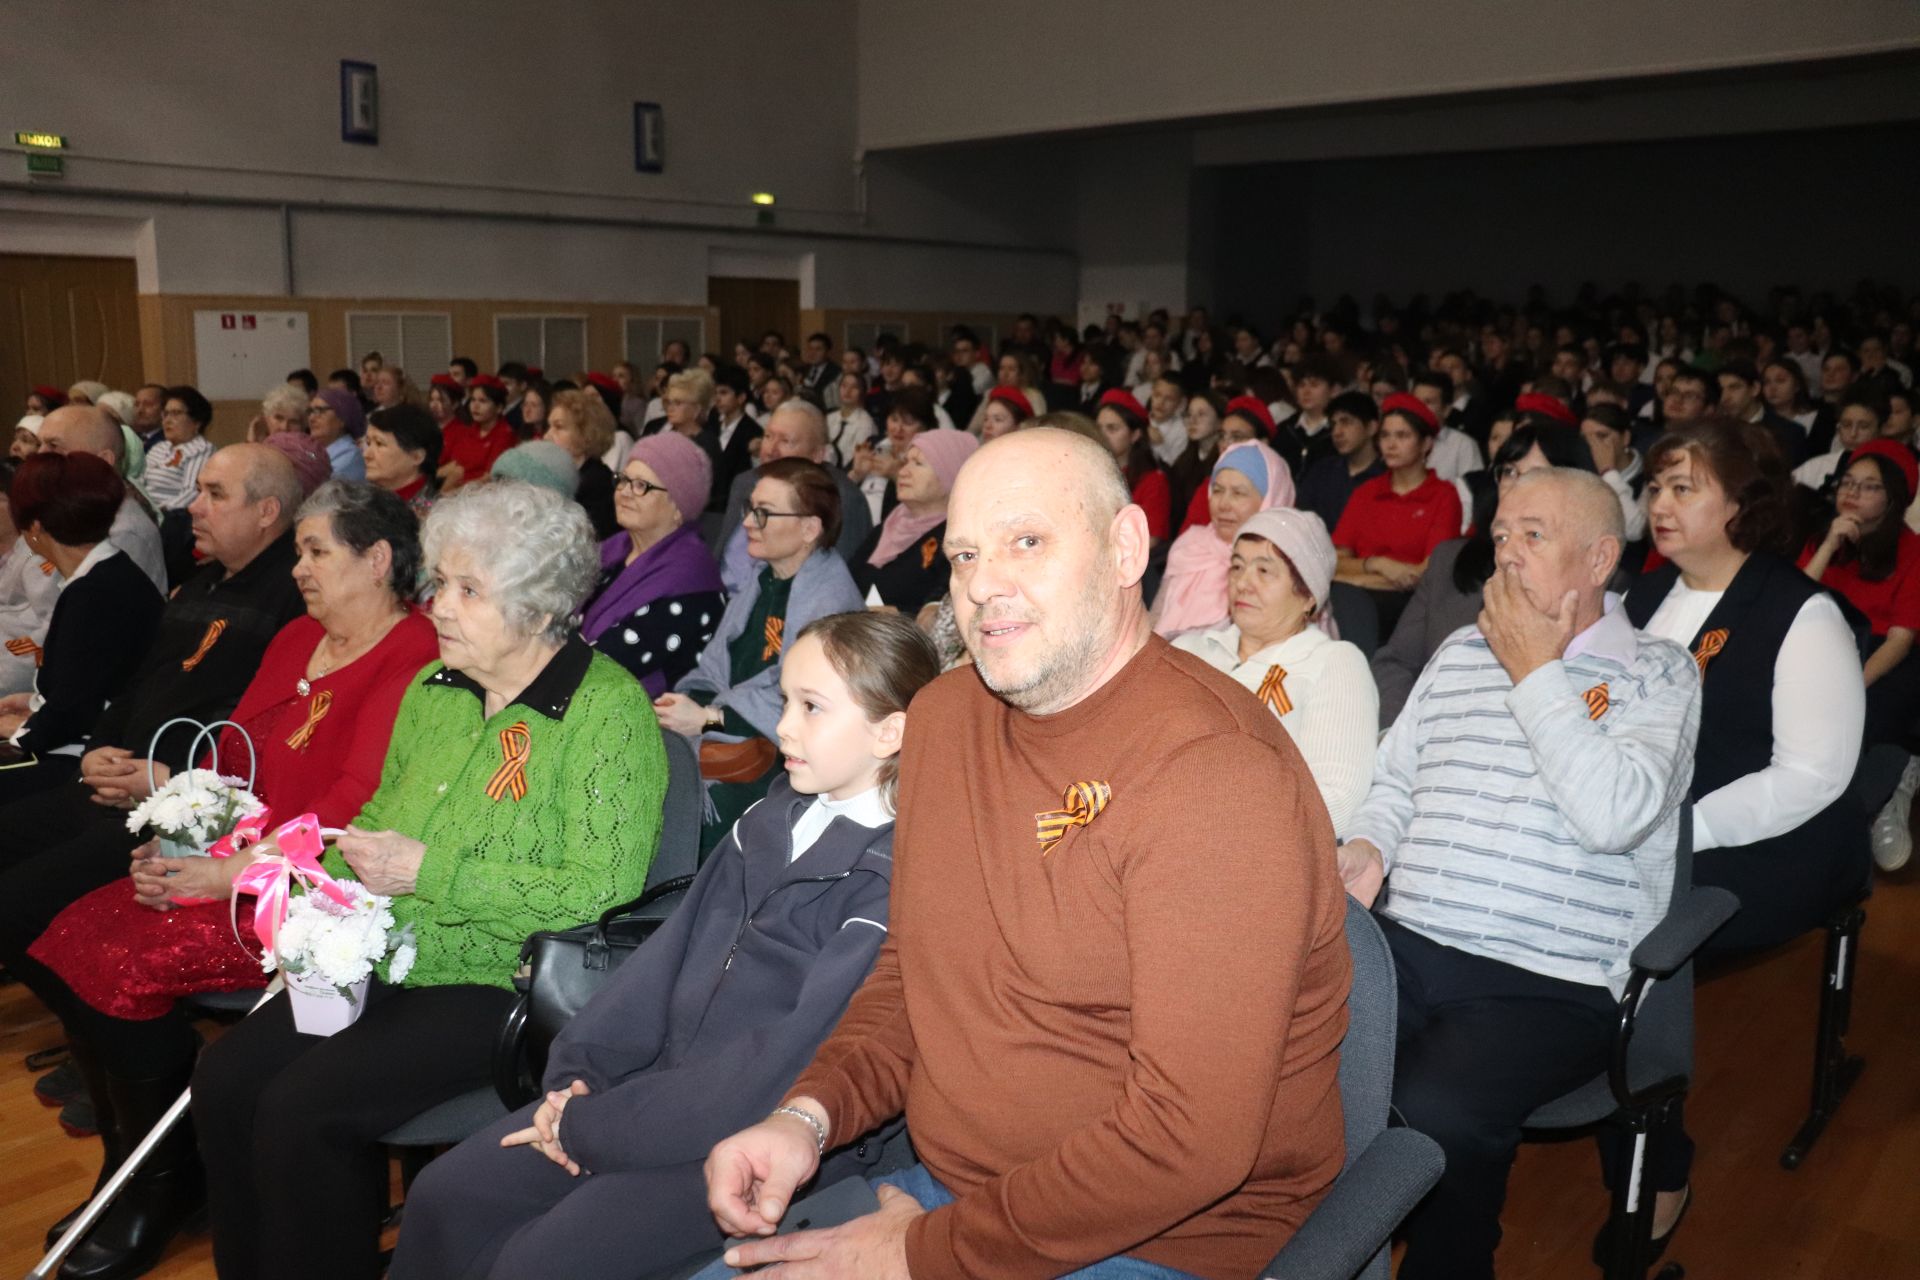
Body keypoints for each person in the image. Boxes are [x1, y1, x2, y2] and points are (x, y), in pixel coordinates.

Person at [695, 427, 1349, 1280]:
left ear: (1124, 550)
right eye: (964, 556)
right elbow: (917, 974)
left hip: (1162, 1239)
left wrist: (924, 1254)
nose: (983, 587)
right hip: (957, 1194)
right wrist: (810, 1116)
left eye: (1026, 542)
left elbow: (1189, 1142)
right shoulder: (945, 719)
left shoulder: (1214, 778)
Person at [191, 480, 670, 1280]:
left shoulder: (603, 713)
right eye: (441, 582)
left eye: (468, 590)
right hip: (386, 953)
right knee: (225, 1074)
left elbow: (598, 896)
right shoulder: (436, 692)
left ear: (541, 603)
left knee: (302, 1110)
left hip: (505, 983)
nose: (439, 606)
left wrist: (430, 870)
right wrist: (314, 899)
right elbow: (379, 814)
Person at [390, 610, 937, 1280]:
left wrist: (589, 1129)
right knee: (446, 1196)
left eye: (812, 707)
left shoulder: (889, 881)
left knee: (536, 1264)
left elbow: (774, 1069)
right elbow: (659, 963)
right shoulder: (767, 820)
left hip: (749, 1141)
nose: (785, 726)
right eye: (786, 700)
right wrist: (578, 1078)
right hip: (641, 1098)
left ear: (892, 730)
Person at [15, 482, 437, 1273]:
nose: (300, 568)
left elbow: (355, 803)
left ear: (378, 559)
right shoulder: (296, 638)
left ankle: (161, 1182)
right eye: (301, 550)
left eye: (318, 552)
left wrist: (224, 874)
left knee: (120, 959)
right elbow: (229, 756)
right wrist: (179, 829)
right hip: (232, 856)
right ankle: (141, 1166)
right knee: (65, 933)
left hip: (309, 889)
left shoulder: (413, 654)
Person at [1340, 466, 1701, 1280]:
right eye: (1500, 535)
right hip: (1407, 939)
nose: (1505, 555)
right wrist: (1369, 843)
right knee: (1277, 1048)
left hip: (1549, 978)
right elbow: (1394, 782)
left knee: (1436, 1114)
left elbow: (1615, 815)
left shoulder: (1660, 673)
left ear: (1600, 558)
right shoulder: (1461, 649)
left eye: (1531, 536)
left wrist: (1538, 672)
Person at [656, 458, 862, 845]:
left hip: (788, 761)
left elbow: (803, 708)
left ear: (809, 529)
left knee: (682, 812)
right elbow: (718, 667)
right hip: (730, 730)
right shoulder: (764, 578)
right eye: (749, 509)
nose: (748, 522)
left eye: (763, 513)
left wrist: (707, 720)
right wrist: (685, 707)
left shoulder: (830, 604)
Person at [1371, 425, 1600, 725]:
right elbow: (1396, 662)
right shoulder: (1449, 560)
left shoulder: (1589, 574)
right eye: (1509, 472)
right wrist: (1400, 733)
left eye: (1535, 475)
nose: (1516, 486)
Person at [1173, 508, 1377, 830]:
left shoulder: (1333, 663)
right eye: (1237, 566)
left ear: (1308, 594)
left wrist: (1220, 824)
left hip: (1245, 847)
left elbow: (1334, 801)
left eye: (1264, 571)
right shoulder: (1188, 650)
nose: (1243, 583)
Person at [0, 454, 164, 801]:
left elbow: (76, 710)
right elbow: (82, 683)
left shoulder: (96, 592)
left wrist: (19, 737)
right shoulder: (104, 576)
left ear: (35, 528)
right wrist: (31, 703)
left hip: (85, 757)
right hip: (79, 741)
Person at [1798, 439, 1920, 868]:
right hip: (1820, 642)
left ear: (1893, 498)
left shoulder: (1913, 550)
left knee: (1882, 707)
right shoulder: (1823, 537)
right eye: (1848, 482)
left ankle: (1889, 788)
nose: (1851, 492)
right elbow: (1791, 607)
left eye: (1868, 487)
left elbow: (1901, 640)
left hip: (1880, 655)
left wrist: (1850, 686)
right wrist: (1830, 545)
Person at [581, 432, 727, 695]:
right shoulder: (612, 550)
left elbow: (606, 665)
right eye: (623, 480)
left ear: (678, 507)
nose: (624, 492)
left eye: (640, 485)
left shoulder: (691, 583)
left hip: (634, 715)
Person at [1331, 393, 1464, 636]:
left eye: (1402, 436)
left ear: (1426, 444)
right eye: (1385, 435)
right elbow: (1336, 562)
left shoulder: (1443, 496)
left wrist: (1356, 578)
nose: (1390, 445)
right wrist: (1379, 564)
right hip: (1354, 605)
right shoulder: (1366, 493)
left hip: (1412, 609)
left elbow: (1425, 574)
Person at [716, 401, 873, 591]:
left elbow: (840, 582)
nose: (771, 450)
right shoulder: (745, 482)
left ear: (817, 455)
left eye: (785, 441)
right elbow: (721, 558)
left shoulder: (842, 499)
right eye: (768, 436)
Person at [1153, 439, 1294, 637]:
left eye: (1239, 493)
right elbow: (1156, 619)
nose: (1223, 504)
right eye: (1217, 491)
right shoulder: (1191, 545)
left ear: (1270, 500)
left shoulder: (1286, 563)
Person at [35, 405, 167, 594]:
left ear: (103, 459)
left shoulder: (122, 531)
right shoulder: (68, 508)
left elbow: (87, 611)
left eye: (54, 446)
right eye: (39, 443)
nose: (40, 454)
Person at [851, 428, 978, 613]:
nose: (903, 472)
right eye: (906, 462)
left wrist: (901, 615)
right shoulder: (892, 523)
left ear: (950, 474)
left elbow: (948, 616)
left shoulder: (959, 539)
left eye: (918, 464)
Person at [1296, 390, 1386, 530]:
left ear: (1371, 427)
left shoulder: (1386, 476)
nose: (1337, 432)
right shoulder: (1322, 471)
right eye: (1333, 424)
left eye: (1346, 422)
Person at [1094, 390, 1172, 546]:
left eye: (1112, 428)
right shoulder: (1092, 470)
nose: (1102, 436)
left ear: (1135, 435)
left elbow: (1150, 541)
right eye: (1099, 428)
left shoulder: (1154, 482)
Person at [543, 388, 620, 539]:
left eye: (558, 427)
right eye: (549, 426)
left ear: (586, 434)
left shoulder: (597, 483)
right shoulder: (559, 474)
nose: (547, 436)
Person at [363, 402, 443, 518]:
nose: (366, 454)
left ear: (416, 457)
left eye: (379, 444)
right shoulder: (363, 501)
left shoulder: (434, 516)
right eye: (368, 443)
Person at [440, 374, 517, 489]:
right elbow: (455, 465)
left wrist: (453, 494)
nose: (475, 406)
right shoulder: (469, 431)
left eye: (482, 401)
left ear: (499, 408)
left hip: (480, 495)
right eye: (473, 400)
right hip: (455, 490)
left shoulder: (505, 435)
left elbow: (490, 478)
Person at [307, 385, 368, 483]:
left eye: (320, 411)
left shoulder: (350, 459)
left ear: (342, 418)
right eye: (310, 412)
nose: (311, 418)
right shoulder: (313, 451)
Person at [826, 371, 877, 469]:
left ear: (862, 392)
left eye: (854, 387)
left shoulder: (866, 424)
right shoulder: (829, 418)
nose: (847, 391)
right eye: (844, 386)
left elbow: (854, 461)